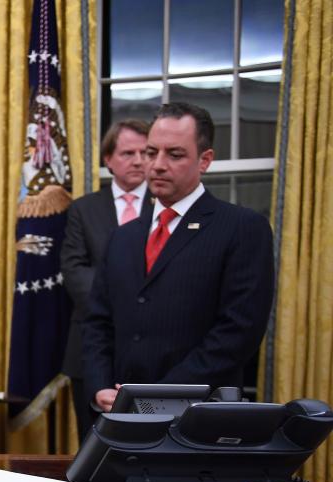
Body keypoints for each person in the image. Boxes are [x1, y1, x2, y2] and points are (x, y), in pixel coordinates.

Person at [83, 102, 274, 413]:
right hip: (117, 419)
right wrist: (99, 387)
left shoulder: (242, 228)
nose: (156, 165)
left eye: (174, 154)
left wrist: (154, 399)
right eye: (150, 152)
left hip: (197, 422)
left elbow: (238, 333)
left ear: (205, 160)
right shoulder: (124, 235)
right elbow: (98, 323)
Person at [61, 119, 152, 439]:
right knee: (94, 444)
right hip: (90, 347)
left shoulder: (163, 207)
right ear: (108, 159)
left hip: (151, 346)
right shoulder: (84, 209)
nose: (139, 161)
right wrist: (127, 305)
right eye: (129, 153)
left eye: (146, 152)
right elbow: (74, 272)